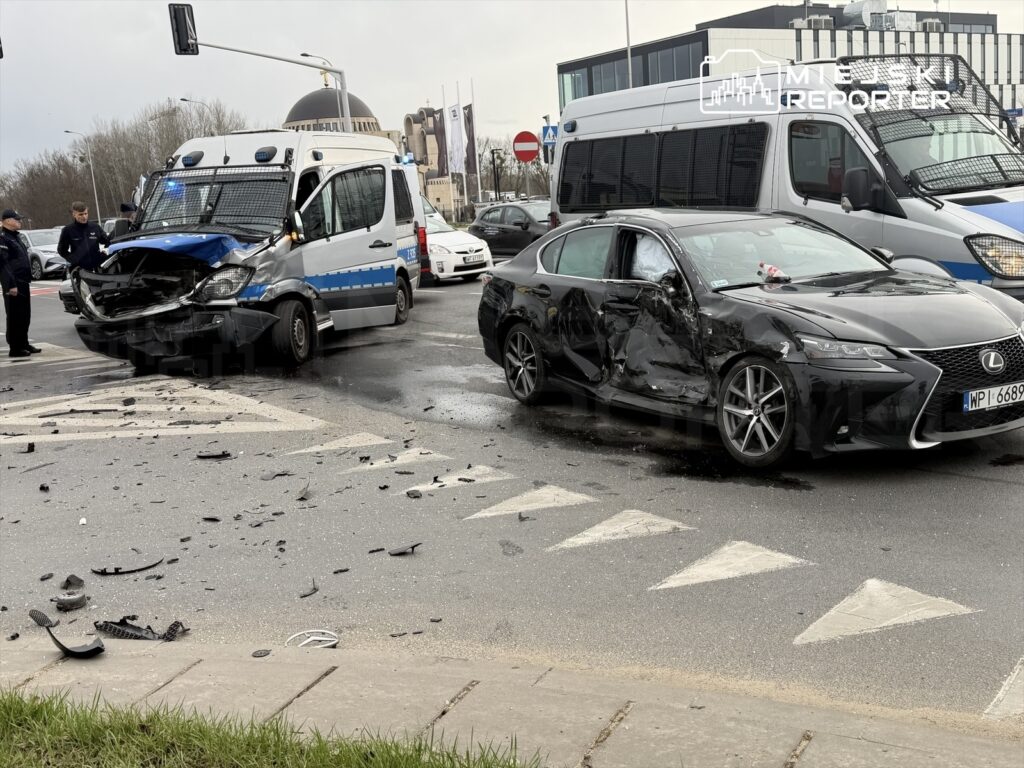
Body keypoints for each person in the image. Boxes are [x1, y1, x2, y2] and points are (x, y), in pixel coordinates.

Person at [0, 209, 40, 357]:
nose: (20, 221)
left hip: (23, 281)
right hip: (14, 282)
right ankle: (15, 348)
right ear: (7, 221)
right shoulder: (3, 238)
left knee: (24, 315)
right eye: (16, 219)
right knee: (15, 316)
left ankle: (23, 343)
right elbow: (3, 264)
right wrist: (10, 284)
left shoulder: (16, 237)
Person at [57, 201, 109, 272]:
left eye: (85, 213)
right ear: (74, 214)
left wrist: (104, 253)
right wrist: (73, 259)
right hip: (80, 271)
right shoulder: (67, 230)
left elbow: (107, 241)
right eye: (80, 214)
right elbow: (61, 250)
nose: (84, 217)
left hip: (98, 268)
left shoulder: (95, 227)